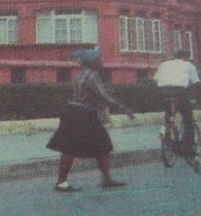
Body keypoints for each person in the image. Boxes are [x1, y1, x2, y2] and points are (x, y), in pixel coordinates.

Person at [44, 49, 134, 192]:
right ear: (91, 63)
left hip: (74, 112)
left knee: (95, 144)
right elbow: (103, 96)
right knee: (92, 145)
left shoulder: (80, 75)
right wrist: (124, 108)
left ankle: (105, 179)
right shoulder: (92, 76)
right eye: (98, 60)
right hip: (82, 114)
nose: (101, 62)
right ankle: (63, 182)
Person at [153, 49, 201, 144]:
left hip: (163, 93)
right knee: (188, 118)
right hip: (180, 92)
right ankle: (188, 145)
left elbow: (156, 80)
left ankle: (166, 136)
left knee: (169, 115)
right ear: (185, 57)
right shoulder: (188, 65)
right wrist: (197, 98)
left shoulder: (164, 64)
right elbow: (196, 83)